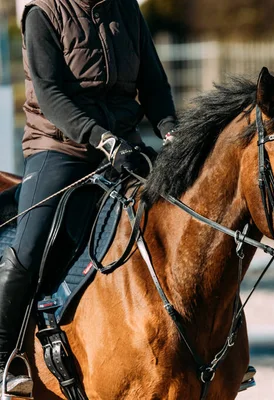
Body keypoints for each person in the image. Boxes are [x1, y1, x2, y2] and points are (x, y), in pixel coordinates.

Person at [0, 0, 177, 394]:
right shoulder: (42, 12)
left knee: (190, 218)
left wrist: (171, 131)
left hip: (126, 145)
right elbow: (50, 94)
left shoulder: (125, 8)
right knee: (30, 249)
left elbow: (153, 82)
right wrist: (101, 138)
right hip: (61, 146)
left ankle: (216, 344)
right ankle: (4, 358)